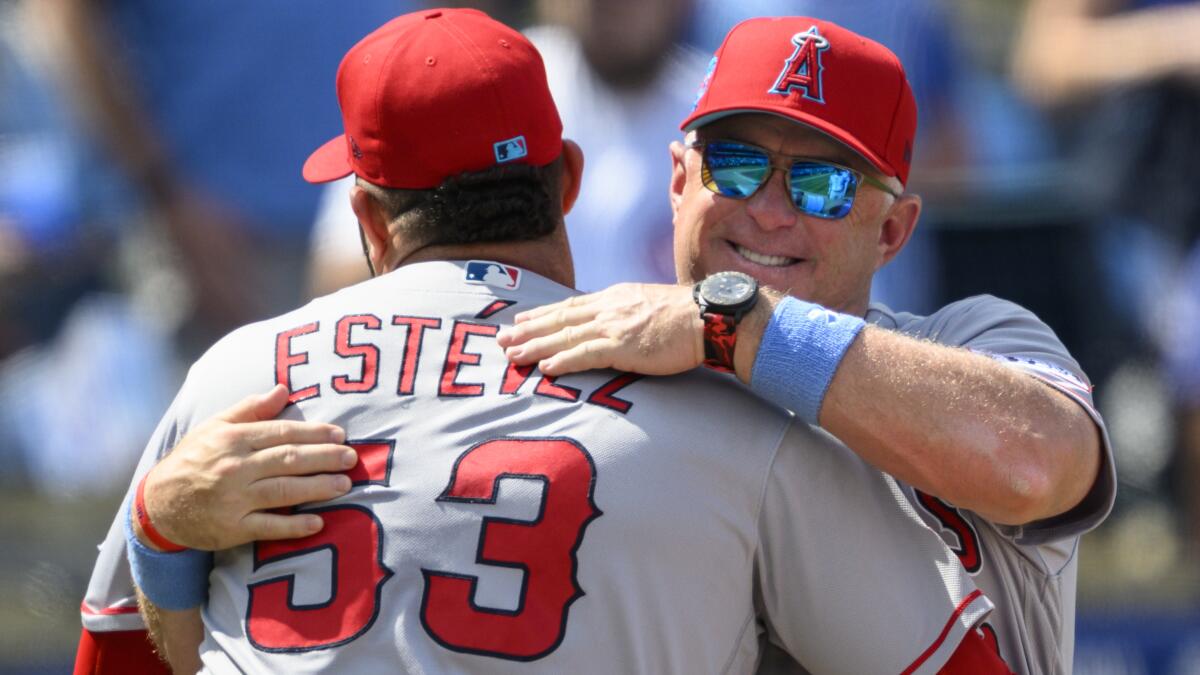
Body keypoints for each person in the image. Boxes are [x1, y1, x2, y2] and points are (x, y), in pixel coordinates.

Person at [75, 9, 1008, 675]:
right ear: (566, 180)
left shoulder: (235, 382)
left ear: (366, 214)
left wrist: (162, 535)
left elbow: (116, 659)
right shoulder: (724, 407)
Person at [497, 15, 1116, 675]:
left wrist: (732, 326)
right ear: (680, 181)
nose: (769, 209)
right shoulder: (594, 363)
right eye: (736, 166)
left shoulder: (970, 341)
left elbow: (1035, 465)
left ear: (891, 232)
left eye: (823, 185)